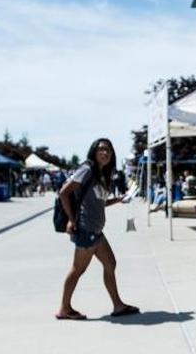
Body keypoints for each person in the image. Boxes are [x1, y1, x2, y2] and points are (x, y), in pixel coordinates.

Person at [55, 137, 138, 320]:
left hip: (95, 230)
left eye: (108, 150)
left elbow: (99, 203)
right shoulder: (87, 169)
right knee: (78, 269)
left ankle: (118, 305)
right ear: (94, 151)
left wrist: (118, 199)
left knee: (110, 263)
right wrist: (72, 220)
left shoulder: (101, 174)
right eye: (101, 149)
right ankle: (64, 309)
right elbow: (64, 193)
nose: (105, 153)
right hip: (86, 229)